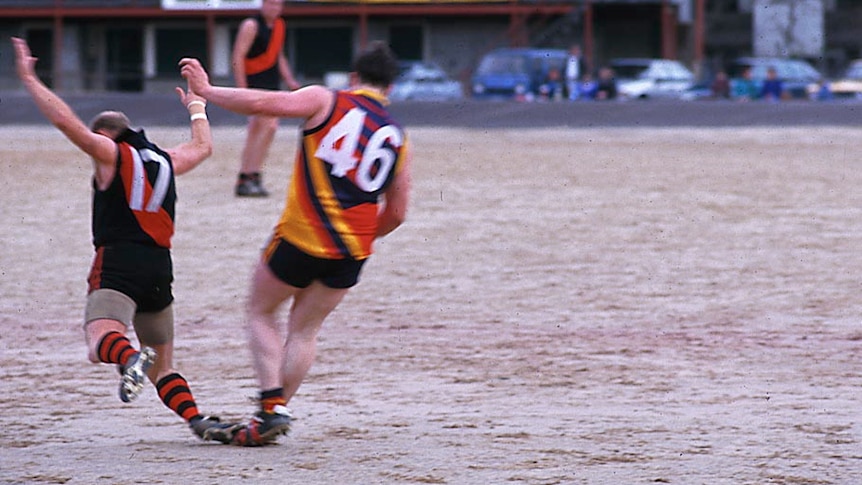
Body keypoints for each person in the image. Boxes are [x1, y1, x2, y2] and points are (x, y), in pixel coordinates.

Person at [180, 41, 412, 447]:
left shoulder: (326, 99)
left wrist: (209, 92)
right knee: (305, 331)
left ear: (353, 78)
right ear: (390, 89)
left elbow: (264, 102)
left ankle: (270, 407)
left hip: (302, 237)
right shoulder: (397, 136)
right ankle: (273, 412)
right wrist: (356, 233)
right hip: (352, 253)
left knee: (260, 310)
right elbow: (396, 213)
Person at [12, 37, 238, 443]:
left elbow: (67, 124)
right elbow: (203, 147)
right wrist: (196, 106)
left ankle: (130, 357)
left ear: (106, 136)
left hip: (119, 261)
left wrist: (30, 79)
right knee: (163, 367)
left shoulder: (110, 153)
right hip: (160, 268)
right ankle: (197, 419)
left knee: (100, 341)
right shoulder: (165, 159)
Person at [232, 0, 302, 197]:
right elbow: (238, 56)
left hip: (271, 85)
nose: (274, 8)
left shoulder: (279, 25)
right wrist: (241, 91)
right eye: (271, 3)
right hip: (254, 84)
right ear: (263, 4)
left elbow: (279, 56)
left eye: (278, 4)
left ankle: (247, 176)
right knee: (269, 127)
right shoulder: (251, 25)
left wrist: (290, 81)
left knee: (258, 130)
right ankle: (251, 175)